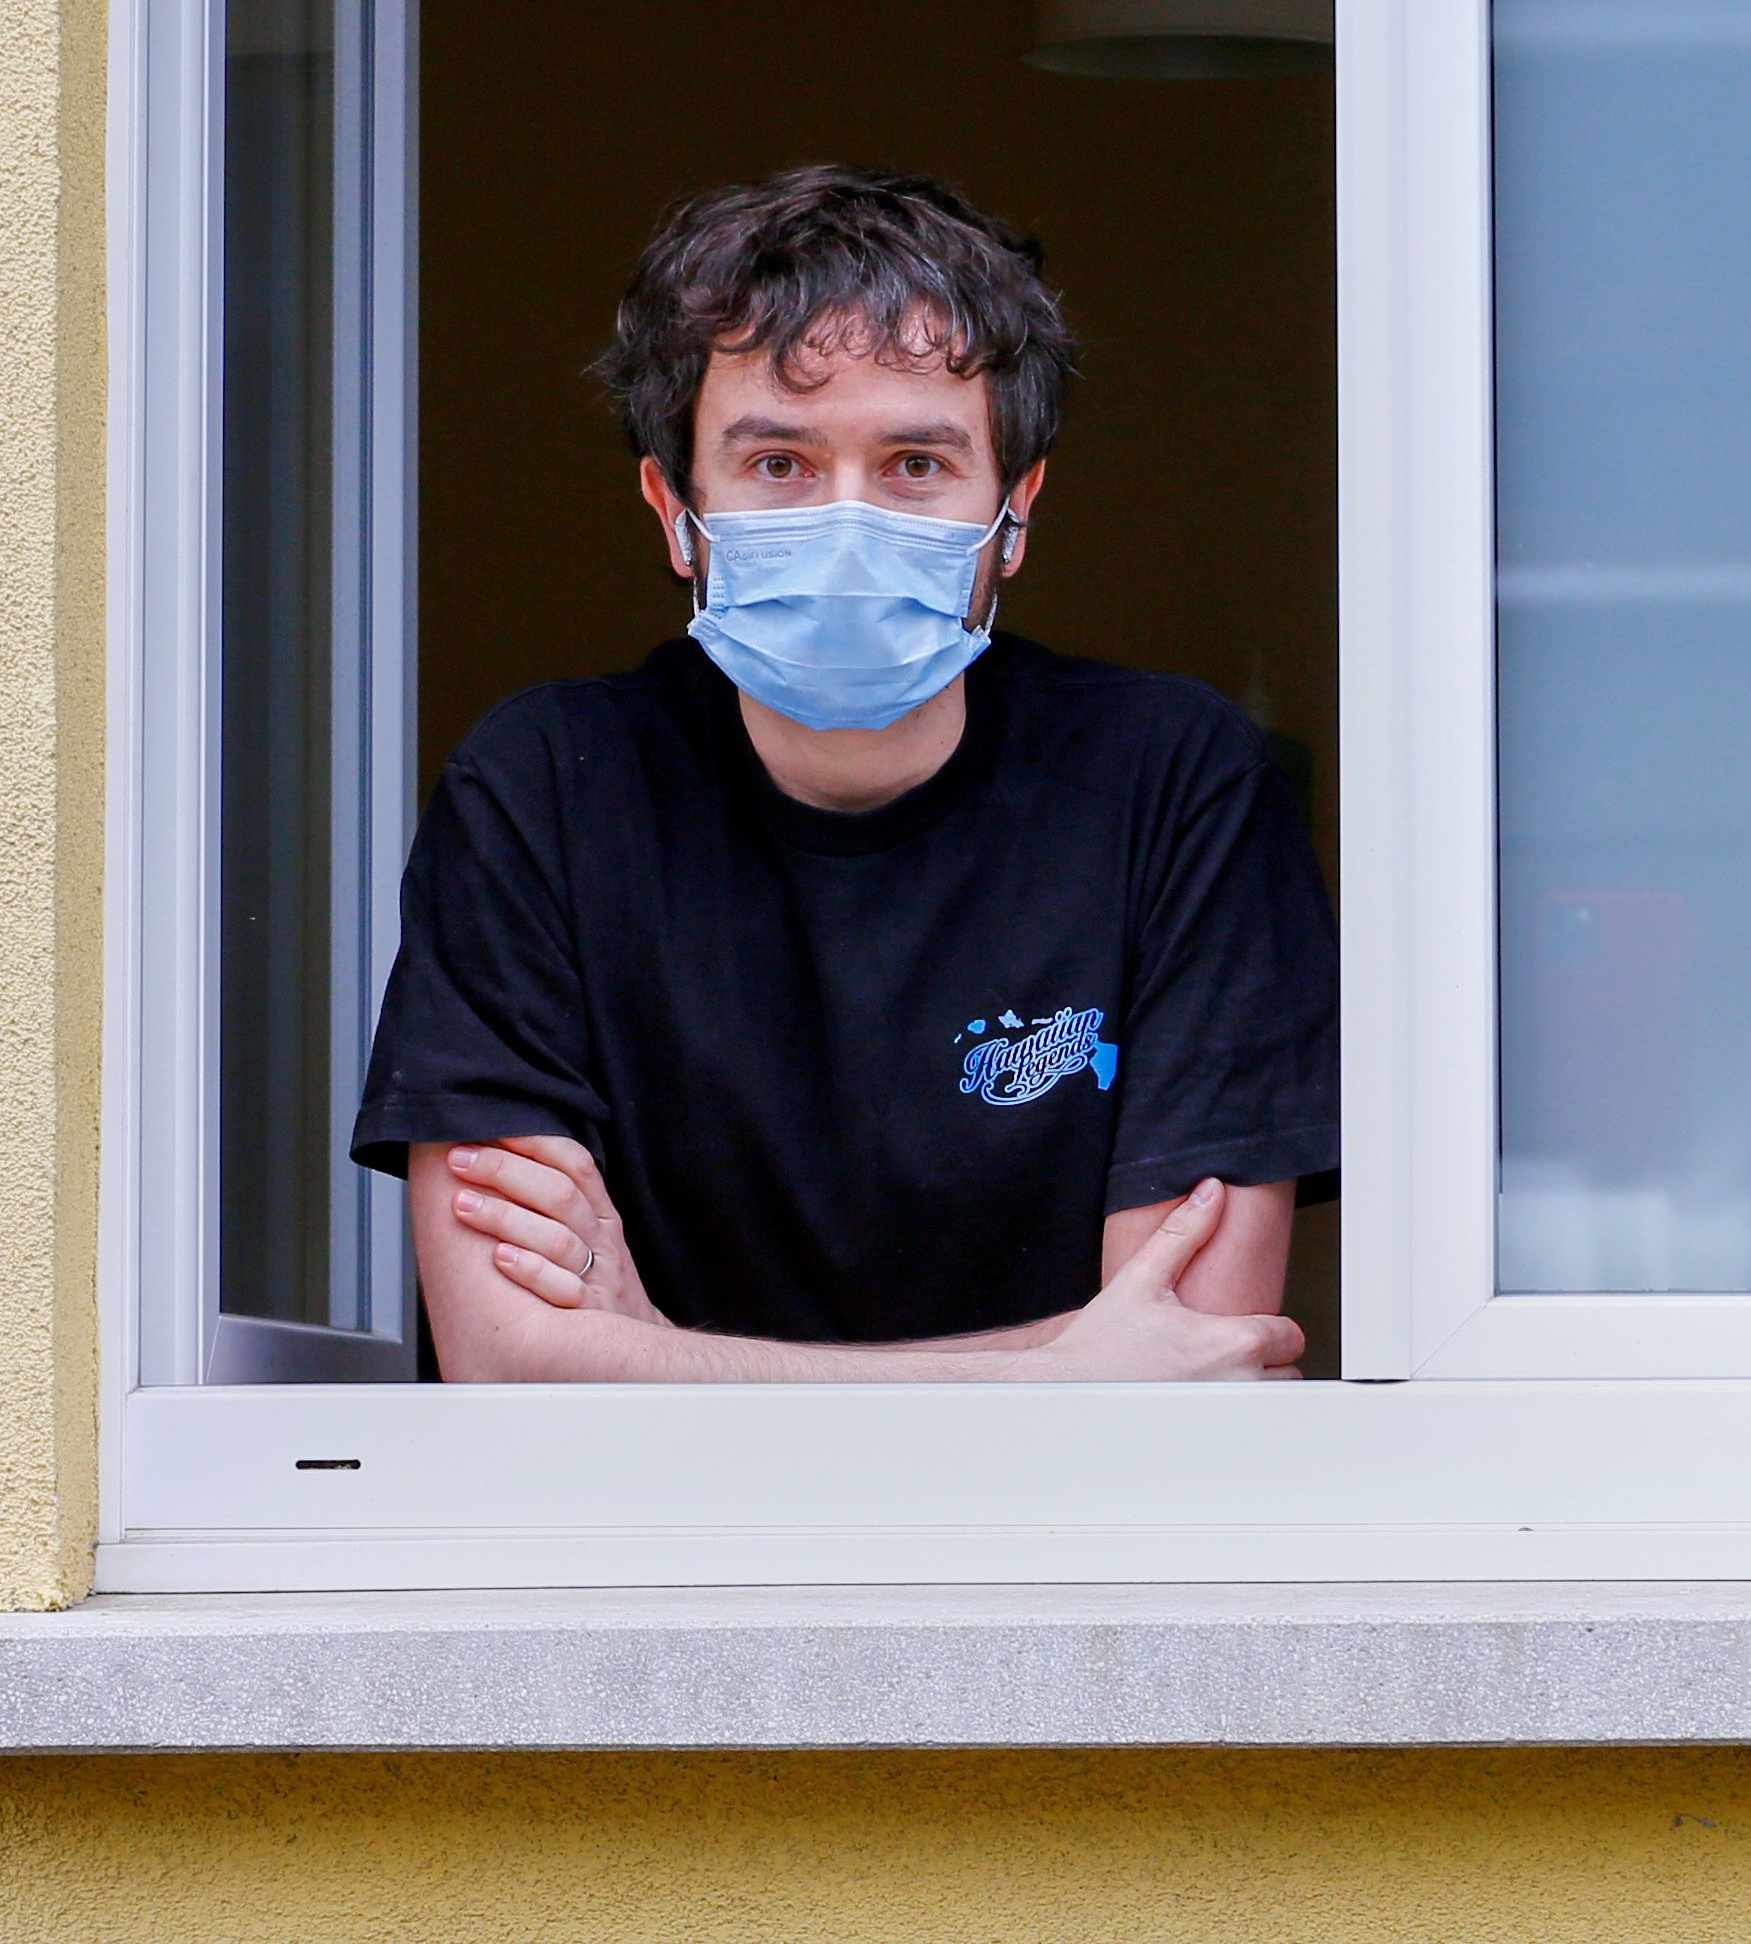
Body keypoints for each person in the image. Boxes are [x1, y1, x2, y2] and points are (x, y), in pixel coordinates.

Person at [353, 165, 1339, 1380]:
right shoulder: (546, 786)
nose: (847, 519)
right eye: (779, 464)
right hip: (642, 1561)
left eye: (915, 464)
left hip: (1063, 1562)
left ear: (1014, 514)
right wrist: (1047, 1374)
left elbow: (1198, 1360)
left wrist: (654, 1356)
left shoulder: (1175, 783)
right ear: (675, 509)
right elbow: (507, 1365)